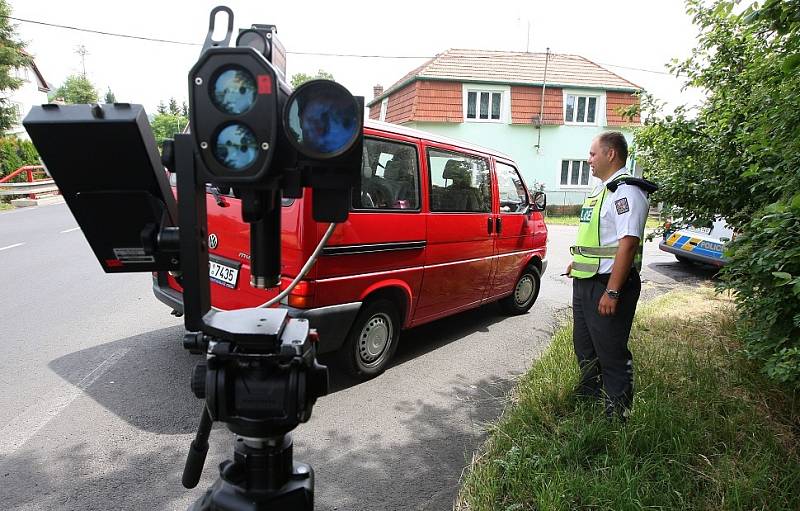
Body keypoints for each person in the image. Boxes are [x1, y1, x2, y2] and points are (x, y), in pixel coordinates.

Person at [564, 132, 652, 420]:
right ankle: (590, 393)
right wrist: (577, 262)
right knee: (585, 344)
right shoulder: (602, 190)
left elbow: (628, 243)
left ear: (611, 154)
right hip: (586, 280)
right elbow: (600, 238)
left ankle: (618, 411)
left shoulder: (627, 191)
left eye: (593, 154)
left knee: (611, 351)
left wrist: (612, 291)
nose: (589, 160)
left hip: (608, 285)